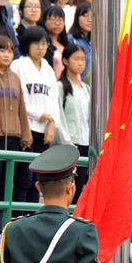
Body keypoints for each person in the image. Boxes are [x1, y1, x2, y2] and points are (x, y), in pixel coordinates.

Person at [0, 33, 31, 238]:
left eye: (10, 50)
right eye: (2, 50)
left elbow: (21, 108)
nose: (7, 54)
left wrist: (25, 133)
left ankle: (4, 225)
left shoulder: (15, 78)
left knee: (7, 184)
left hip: (14, 135)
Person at [11, 25, 59, 204]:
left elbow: (54, 98)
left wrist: (52, 122)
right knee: (23, 177)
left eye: (44, 44)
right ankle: (18, 218)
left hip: (44, 130)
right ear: (27, 44)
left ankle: (31, 217)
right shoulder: (18, 65)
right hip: (26, 127)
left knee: (38, 180)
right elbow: (19, 98)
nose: (41, 48)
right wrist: (41, 115)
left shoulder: (47, 67)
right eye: (36, 44)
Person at [55, 43, 89, 200]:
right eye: (76, 59)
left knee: (80, 188)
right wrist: (68, 143)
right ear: (66, 61)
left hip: (86, 142)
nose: (81, 63)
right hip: (70, 144)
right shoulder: (61, 86)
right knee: (67, 188)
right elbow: (59, 117)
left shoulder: (87, 89)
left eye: (83, 59)